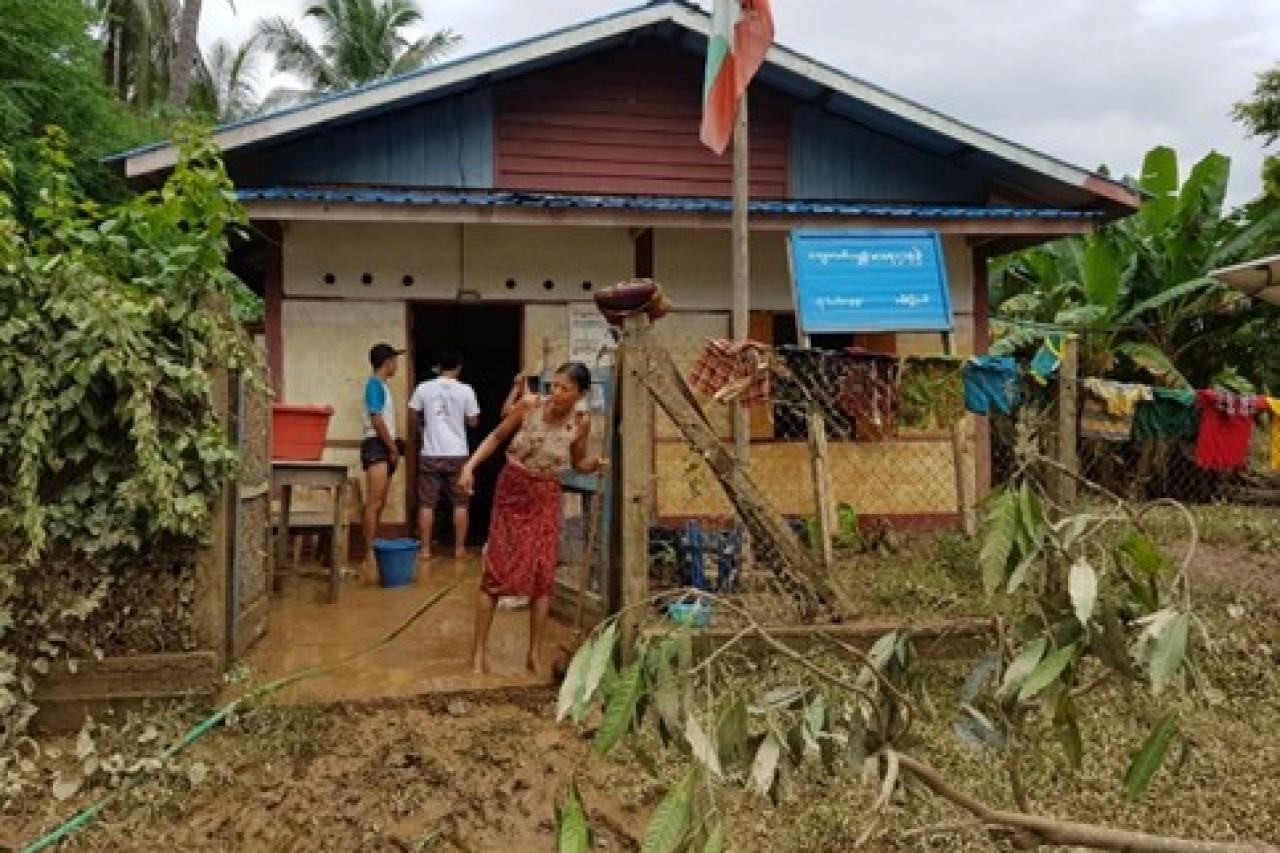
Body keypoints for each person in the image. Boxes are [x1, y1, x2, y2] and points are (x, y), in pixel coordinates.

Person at [459, 361, 605, 675]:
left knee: (542, 576)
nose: (556, 393)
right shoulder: (529, 406)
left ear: (580, 394)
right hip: (512, 492)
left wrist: (596, 465)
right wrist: (469, 467)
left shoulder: (580, 423)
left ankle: (534, 655)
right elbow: (496, 438)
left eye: (565, 388)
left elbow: (578, 462)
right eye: (554, 385)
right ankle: (477, 653)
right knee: (496, 570)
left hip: (546, 496)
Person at [408, 349, 480, 560]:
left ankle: (425, 550)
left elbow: (413, 416)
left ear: (439, 367)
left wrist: (424, 428)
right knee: (460, 503)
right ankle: (459, 550)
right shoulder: (466, 390)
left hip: (431, 453)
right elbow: (473, 422)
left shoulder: (423, 388)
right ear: (459, 367)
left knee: (427, 503)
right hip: (458, 454)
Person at [360, 342, 404, 582]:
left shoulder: (382, 387)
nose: (396, 365)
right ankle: (369, 552)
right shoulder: (374, 386)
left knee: (379, 501)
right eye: (395, 361)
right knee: (374, 502)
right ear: (387, 363)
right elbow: (376, 419)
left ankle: (372, 548)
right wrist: (392, 446)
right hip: (377, 445)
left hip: (382, 445)